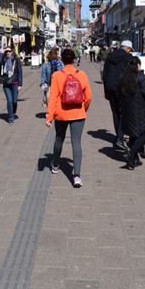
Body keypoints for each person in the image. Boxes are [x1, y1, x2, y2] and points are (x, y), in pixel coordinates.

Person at [46, 48, 91, 188]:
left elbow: (52, 97)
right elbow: (88, 96)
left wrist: (49, 116)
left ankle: (55, 164)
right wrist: (83, 109)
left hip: (61, 113)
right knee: (76, 142)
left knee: (59, 138)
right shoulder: (82, 74)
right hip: (78, 113)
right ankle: (76, 176)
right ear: (74, 60)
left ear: (62, 60)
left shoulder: (57, 75)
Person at [119, 56, 145, 170]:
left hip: (127, 109)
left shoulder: (123, 77)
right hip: (139, 110)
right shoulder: (141, 77)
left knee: (132, 135)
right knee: (143, 134)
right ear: (138, 65)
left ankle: (134, 160)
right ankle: (130, 153)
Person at [103, 39, 136, 150]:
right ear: (127, 49)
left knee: (116, 112)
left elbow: (105, 73)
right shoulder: (128, 58)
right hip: (122, 88)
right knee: (124, 112)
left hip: (110, 87)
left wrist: (105, 90)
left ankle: (118, 135)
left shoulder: (110, 56)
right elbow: (131, 74)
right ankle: (120, 137)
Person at [0, 46, 23, 124]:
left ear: (12, 52)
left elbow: (20, 73)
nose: (8, 53)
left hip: (15, 83)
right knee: (9, 100)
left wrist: (20, 85)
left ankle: (14, 112)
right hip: (6, 83)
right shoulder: (4, 60)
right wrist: (2, 53)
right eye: (6, 52)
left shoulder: (17, 60)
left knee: (14, 101)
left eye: (9, 51)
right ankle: (11, 117)